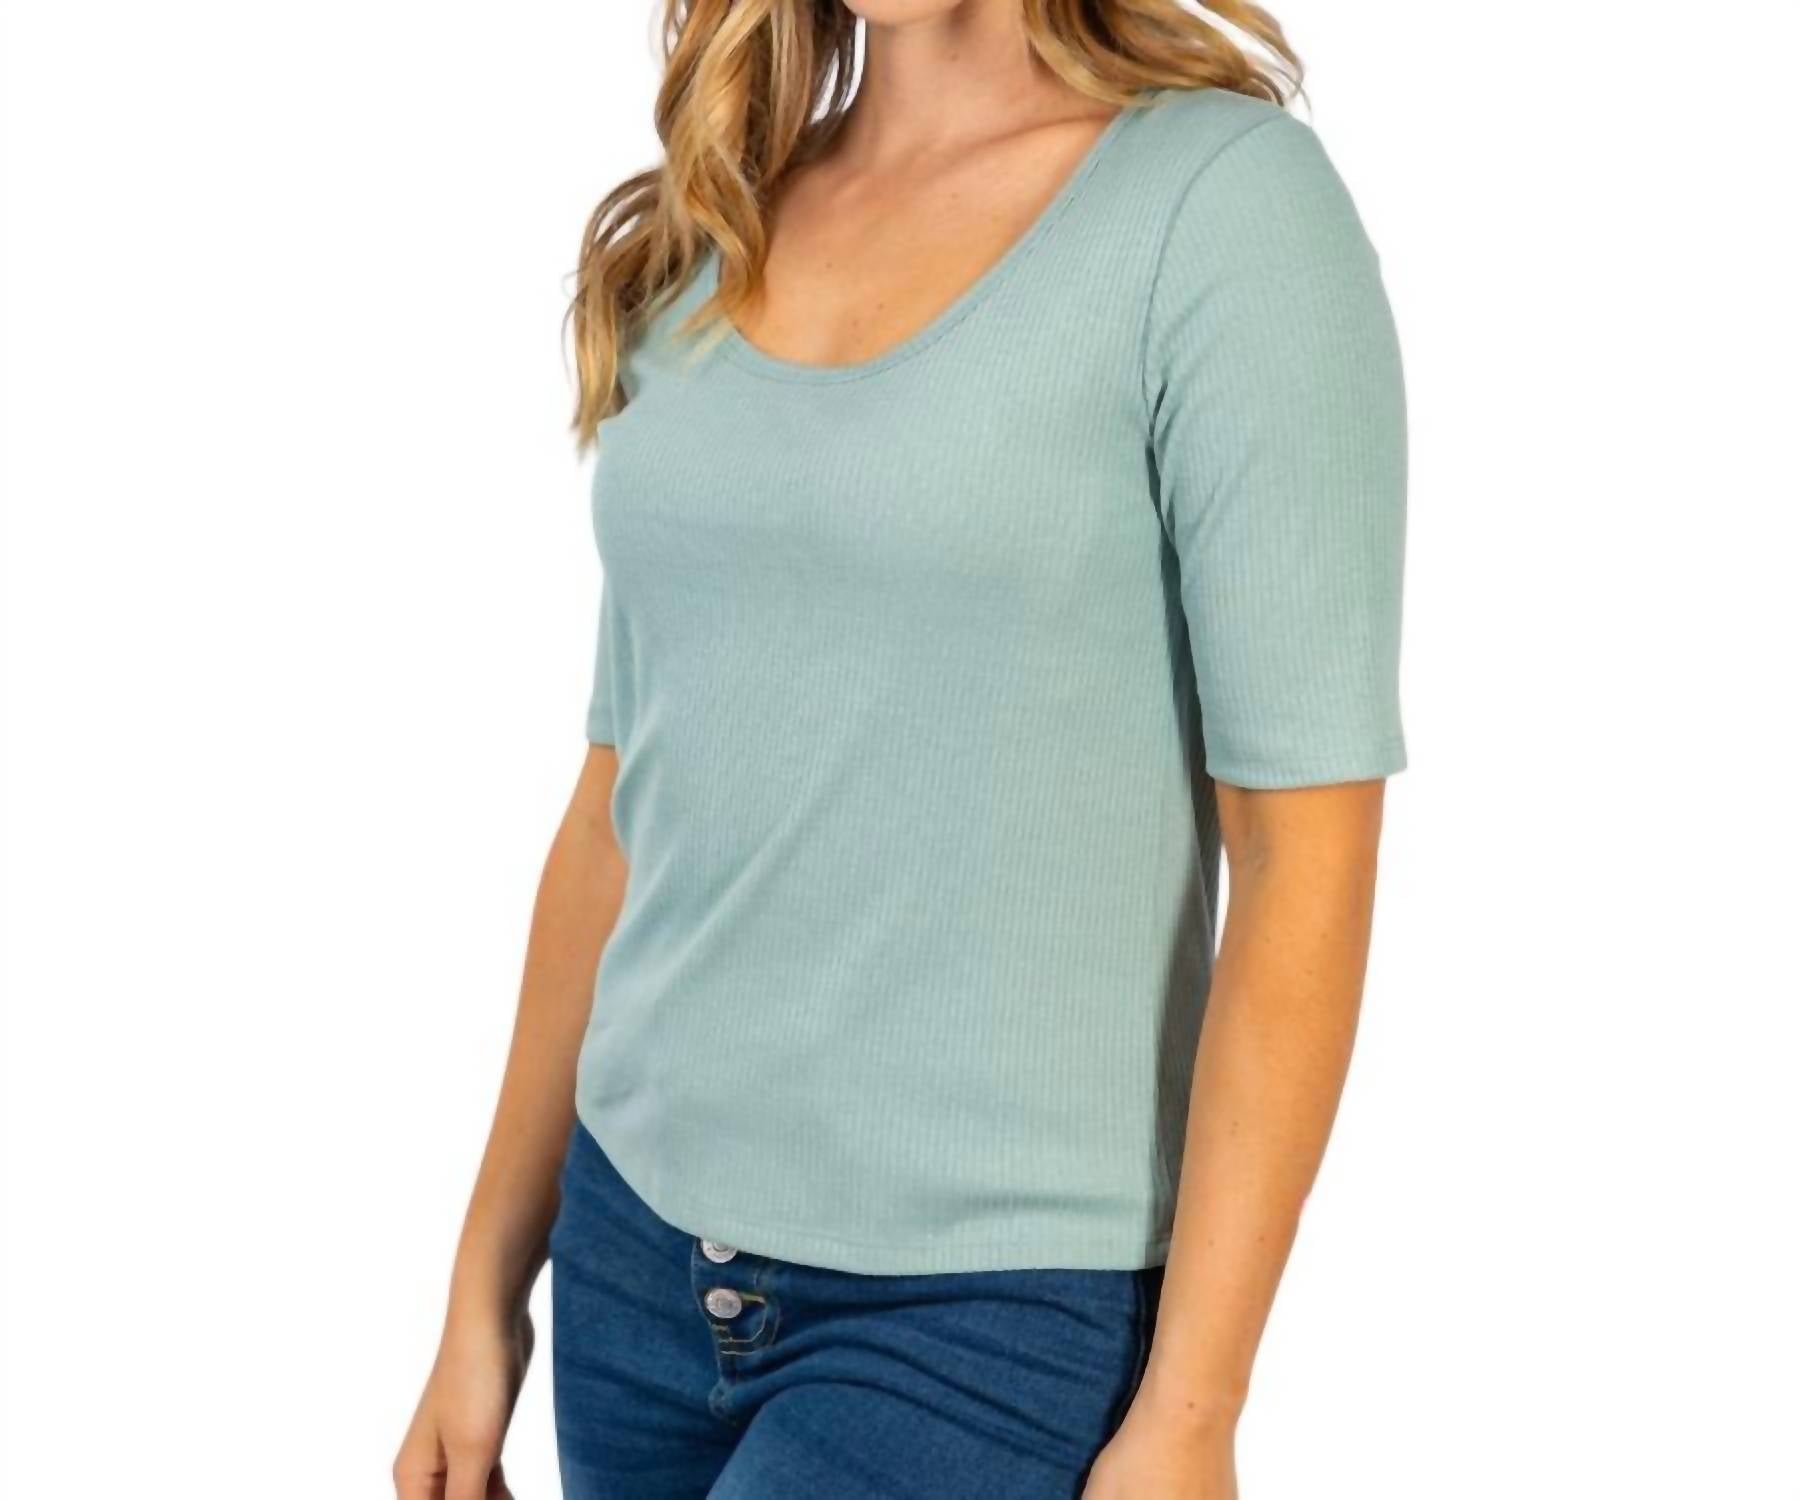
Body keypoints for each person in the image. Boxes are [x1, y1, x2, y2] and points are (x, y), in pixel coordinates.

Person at [394, 1, 1408, 1495]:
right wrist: (486, 1284)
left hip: (989, 1318)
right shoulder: (723, 209)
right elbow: (620, 799)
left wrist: (1194, 1409)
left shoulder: (1221, 213)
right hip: (632, 1263)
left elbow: (1301, 853)